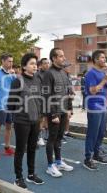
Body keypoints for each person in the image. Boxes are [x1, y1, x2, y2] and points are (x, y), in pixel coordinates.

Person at [8, 53, 44, 189]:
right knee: (21, 149)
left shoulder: (38, 79)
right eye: (31, 63)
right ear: (24, 66)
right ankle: (18, 177)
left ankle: (31, 174)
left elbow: (40, 99)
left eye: (35, 63)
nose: (35, 66)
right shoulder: (17, 81)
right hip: (22, 121)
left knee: (32, 148)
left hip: (35, 120)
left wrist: (40, 116)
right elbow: (11, 103)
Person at [42, 48, 73, 178]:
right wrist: (53, 114)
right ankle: (50, 166)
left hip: (64, 110)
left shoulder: (64, 73)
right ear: (54, 58)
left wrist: (69, 109)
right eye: (60, 56)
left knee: (59, 138)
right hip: (54, 112)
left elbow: (68, 93)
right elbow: (46, 95)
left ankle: (58, 162)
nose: (63, 58)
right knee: (52, 138)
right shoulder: (48, 74)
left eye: (63, 56)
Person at [83, 50, 107, 170]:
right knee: (92, 133)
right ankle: (87, 158)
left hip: (104, 106)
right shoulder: (91, 73)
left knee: (101, 132)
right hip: (94, 107)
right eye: (102, 58)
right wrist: (104, 79)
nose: (105, 60)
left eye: (105, 57)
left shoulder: (103, 72)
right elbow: (92, 91)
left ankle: (96, 153)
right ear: (95, 60)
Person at [35, 58, 50, 146]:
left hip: (50, 100)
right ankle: (39, 137)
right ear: (40, 65)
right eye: (45, 63)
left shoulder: (51, 73)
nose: (47, 65)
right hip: (40, 100)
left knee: (48, 119)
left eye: (48, 63)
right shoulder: (37, 75)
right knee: (41, 120)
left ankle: (46, 137)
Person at [63, 61, 75, 139]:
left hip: (69, 99)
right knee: (64, 116)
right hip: (63, 99)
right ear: (63, 68)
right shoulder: (61, 76)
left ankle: (66, 132)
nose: (69, 68)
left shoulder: (69, 76)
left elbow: (71, 87)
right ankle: (61, 133)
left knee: (68, 116)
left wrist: (73, 93)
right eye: (67, 66)